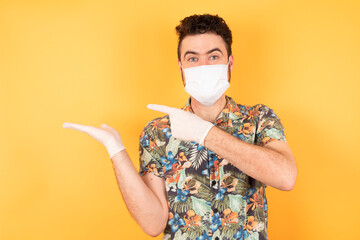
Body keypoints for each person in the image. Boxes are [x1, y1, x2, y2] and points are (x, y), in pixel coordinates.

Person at [63, 14, 297, 240]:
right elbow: (153, 224)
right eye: (193, 58)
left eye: (213, 57)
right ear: (181, 67)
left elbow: (285, 177)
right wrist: (116, 150)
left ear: (230, 62)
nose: (203, 66)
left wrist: (205, 134)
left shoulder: (259, 118)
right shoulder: (158, 132)